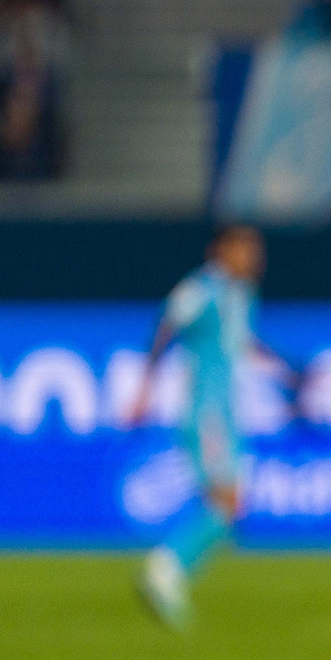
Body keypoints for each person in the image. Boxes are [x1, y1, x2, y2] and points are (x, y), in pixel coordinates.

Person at [126, 226, 300, 628]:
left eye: (256, 251)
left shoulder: (240, 295)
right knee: (226, 502)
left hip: (227, 413)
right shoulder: (203, 288)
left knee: (227, 509)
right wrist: (144, 390)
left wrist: (286, 372)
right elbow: (167, 324)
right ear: (220, 251)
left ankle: (170, 574)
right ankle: (164, 571)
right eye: (244, 250)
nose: (254, 258)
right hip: (207, 414)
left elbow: (242, 341)